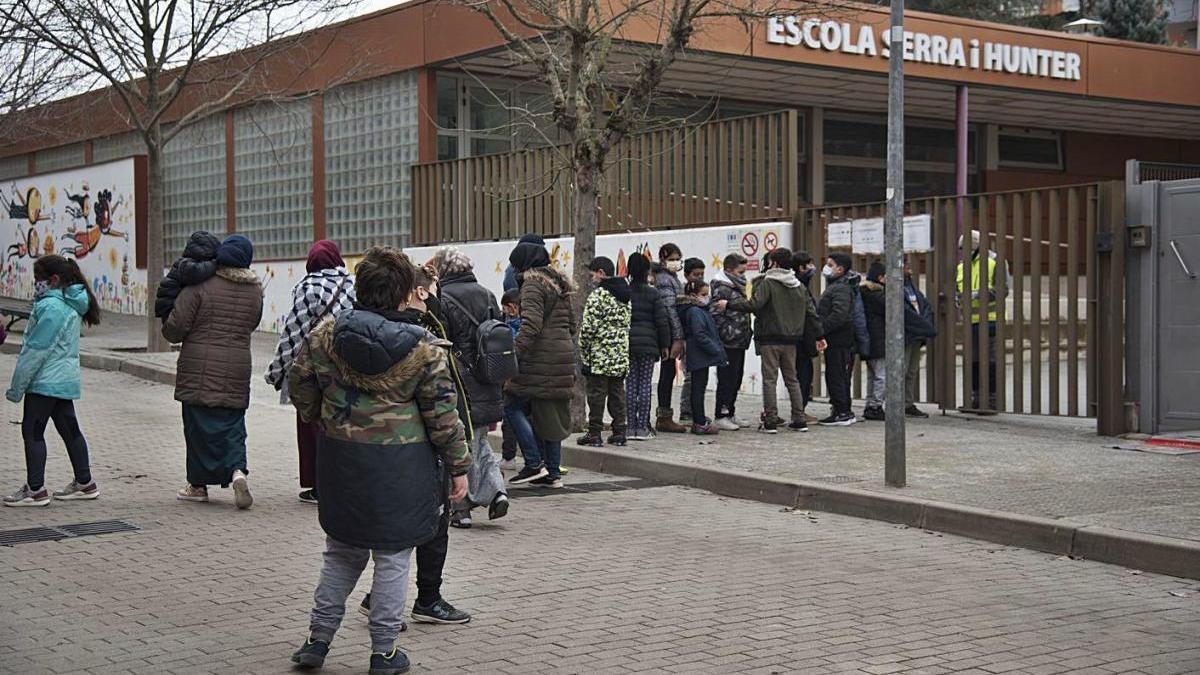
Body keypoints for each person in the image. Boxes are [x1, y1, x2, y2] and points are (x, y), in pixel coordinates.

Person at [286, 246, 471, 675]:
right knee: (392, 557)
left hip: (341, 462)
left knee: (341, 552)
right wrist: (459, 467)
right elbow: (444, 417)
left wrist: (325, 420)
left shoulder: (325, 337)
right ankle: (383, 652)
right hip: (401, 469)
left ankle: (317, 640)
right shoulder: (425, 349)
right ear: (405, 292)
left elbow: (300, 386)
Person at [357, 261, 474, 625]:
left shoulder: (415, 324)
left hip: (408, 444)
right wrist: (458, 461)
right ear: (412, 292)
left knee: (422, 526)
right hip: (418, 446)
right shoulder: (411, 333)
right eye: (430, 288)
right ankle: (414, 599)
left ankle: (401, 597)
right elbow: (438, 407)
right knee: (424, 525)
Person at [162, 234, 263, 508]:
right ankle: (238, 471)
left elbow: (175, 328)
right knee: (233, 426)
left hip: (199, 367)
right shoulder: (255, 290)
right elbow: (252, 323)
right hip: (238, 367)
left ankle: (198, 486)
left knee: (197, 428)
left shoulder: (200, 286)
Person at [3, 255, 102, 507]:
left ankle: (35, 490)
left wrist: (17, 387)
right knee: (70, 429)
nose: (36, 284)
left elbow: (35, 350)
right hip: (63, 380)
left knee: (32, 431)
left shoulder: (50, 307)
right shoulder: (70, 303)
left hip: (44, 380)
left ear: (53, 280)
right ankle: (85, 482)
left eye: (38, 279)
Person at [265, 239, 354, 504]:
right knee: (345, 422)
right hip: (348, 366)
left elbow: (294, 332)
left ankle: (318, 485)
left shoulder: (307, 287)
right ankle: (345, 480)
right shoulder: (353, 284)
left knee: (312, 426)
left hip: (316, 369)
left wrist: (277, 371)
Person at [429, 246, 510, 525]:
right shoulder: (487, 293)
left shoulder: (444, 298)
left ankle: (460, 509)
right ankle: (497, 490)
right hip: (488, 375)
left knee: (460, 442)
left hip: (459, 380)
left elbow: (440, 340)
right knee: (479, 439)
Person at [506, 238, 576, 488]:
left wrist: (513, 353)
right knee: (550, 414)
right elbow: (572, 325)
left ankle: (534, 463)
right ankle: (552, 473)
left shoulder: (533, 285)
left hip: (540, 357)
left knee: (512, 405)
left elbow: (531, 325)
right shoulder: (560, 284)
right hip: (563, 355)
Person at [727, 247, 816, 433]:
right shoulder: (798, 285)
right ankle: (799, 419)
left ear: (773, 263)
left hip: (770, 338)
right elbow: (809, 311)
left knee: (770, 380)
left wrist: (729, 304)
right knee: (792, 379)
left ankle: (771, 420)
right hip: (792, 340)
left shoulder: (769, 283)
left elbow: (755, 304)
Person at [578, 256, 631, 447]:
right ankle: (619, 432)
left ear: (601, 273)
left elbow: (588, 329)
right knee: (617, 394)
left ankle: (594, 434)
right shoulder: (625, 296)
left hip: (599, 356)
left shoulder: (598, 296)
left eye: (592, 275)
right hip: (620, 354)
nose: (591, 279)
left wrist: (584, 351)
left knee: (596, 395)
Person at [956, 230, 1008, 411]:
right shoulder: (962, 266)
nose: (963, 252)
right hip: (970, 321)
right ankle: (975, 399)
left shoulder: (994, 262)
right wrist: (958, 298)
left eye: (965, 248)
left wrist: (977, 295)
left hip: (991, 320)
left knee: (990, 361)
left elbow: (1002, 289)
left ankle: (991, 400)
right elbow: (957, 289)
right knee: (973, 361)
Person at [625, 252, 670, 441]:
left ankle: (630, 427)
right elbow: (662, 321)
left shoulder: (624, 292)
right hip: (648, 346)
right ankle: (642, 427)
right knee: (644, 385)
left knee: (630, 385)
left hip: (627, 344)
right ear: (646, 271)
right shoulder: (653, 293)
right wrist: (665, 345)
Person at [708, 253, 752, 431]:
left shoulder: (739, 286)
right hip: (728, 341)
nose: (743, 275)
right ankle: (721, 414)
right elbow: (716, 315)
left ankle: (731, 411)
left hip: (740, 340)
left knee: (736, 377)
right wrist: (727, 333)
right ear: (729, 269)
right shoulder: (722, 287)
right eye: (740, 271)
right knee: (726, 378)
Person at [677, 279, 726, 435]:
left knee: (700, 387)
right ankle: (699, 421)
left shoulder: (699, 310)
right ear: (693, 295)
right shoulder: (694, 311)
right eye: (703, 294)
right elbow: (700, 334)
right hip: (699, 354)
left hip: (701, 354)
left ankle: (699, 418)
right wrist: (716, 350)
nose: (707, 297)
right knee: (698, 389)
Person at [817, 252, 860, 427]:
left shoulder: (841, 288)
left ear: (840, 269)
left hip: (839, 339)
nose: (827, 268)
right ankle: (839, 409)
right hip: (836, 339)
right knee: (835, 374)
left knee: (837, 375)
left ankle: (843, 412)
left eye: (830, 264)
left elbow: (839, 315)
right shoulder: (836, 285)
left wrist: (821, 329)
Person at [651, 244, 686, 433]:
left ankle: (664, 416)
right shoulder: (665, 280)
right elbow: (670, 310)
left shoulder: (671, 278)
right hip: (669, 334)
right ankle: (664, 417)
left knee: (668, 374)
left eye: (677, 258)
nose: (675, 262)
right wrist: (677, 338)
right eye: (672, 258)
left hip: (669, 333)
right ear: (663, 259)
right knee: (667, 374)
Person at [154, 231, 220, 324]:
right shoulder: (187, 265)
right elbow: (196, 272)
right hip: (170, 310)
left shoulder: (184, 262)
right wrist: (217, 264)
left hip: (170, 307)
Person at [903, 261, 938, 418]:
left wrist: (924, 323)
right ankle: (896, 403)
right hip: (905, 334)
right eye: (906, 266)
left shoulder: (911, 285)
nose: (910, 269)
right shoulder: (895, 286)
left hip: (916, 334)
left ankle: (907, 403)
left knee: (911, 371)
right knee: (901, 370)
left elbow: (924, 305)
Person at [792, 250, 822, 418]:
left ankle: (799, 410)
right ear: (801, 268)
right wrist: (819, 334)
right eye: (809, 265)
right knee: (802, 375)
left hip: (801, 336)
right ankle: (799, 412)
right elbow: (809, 313)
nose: (813, 268)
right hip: (800, 337)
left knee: (803, 374)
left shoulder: (802, 283)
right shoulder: (798, 285)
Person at [678, 257, 706, 422]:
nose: (700, 277)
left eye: (702, 274)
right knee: (689, 376)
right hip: (688, 340)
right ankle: (686, 409)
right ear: (687, 275)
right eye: (696, 274)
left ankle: (695, 410)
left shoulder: (702, 293)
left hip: (698, 341)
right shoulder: (683, 295)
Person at [859, 262, 887, 421]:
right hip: (878, 339)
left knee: (873, 374)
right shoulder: (877, 295)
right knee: (881, 375)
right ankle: (875, 406)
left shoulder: (864, 293)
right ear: (880, 278)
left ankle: (870, 404)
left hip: (869, 339)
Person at [498, 288, 522, 469]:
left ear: (512, 308)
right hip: (527, 378)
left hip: (512, 379)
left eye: (505, 309)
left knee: (510, 416)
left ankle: (508, 456)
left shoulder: (510, 329)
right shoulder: (531, 325)